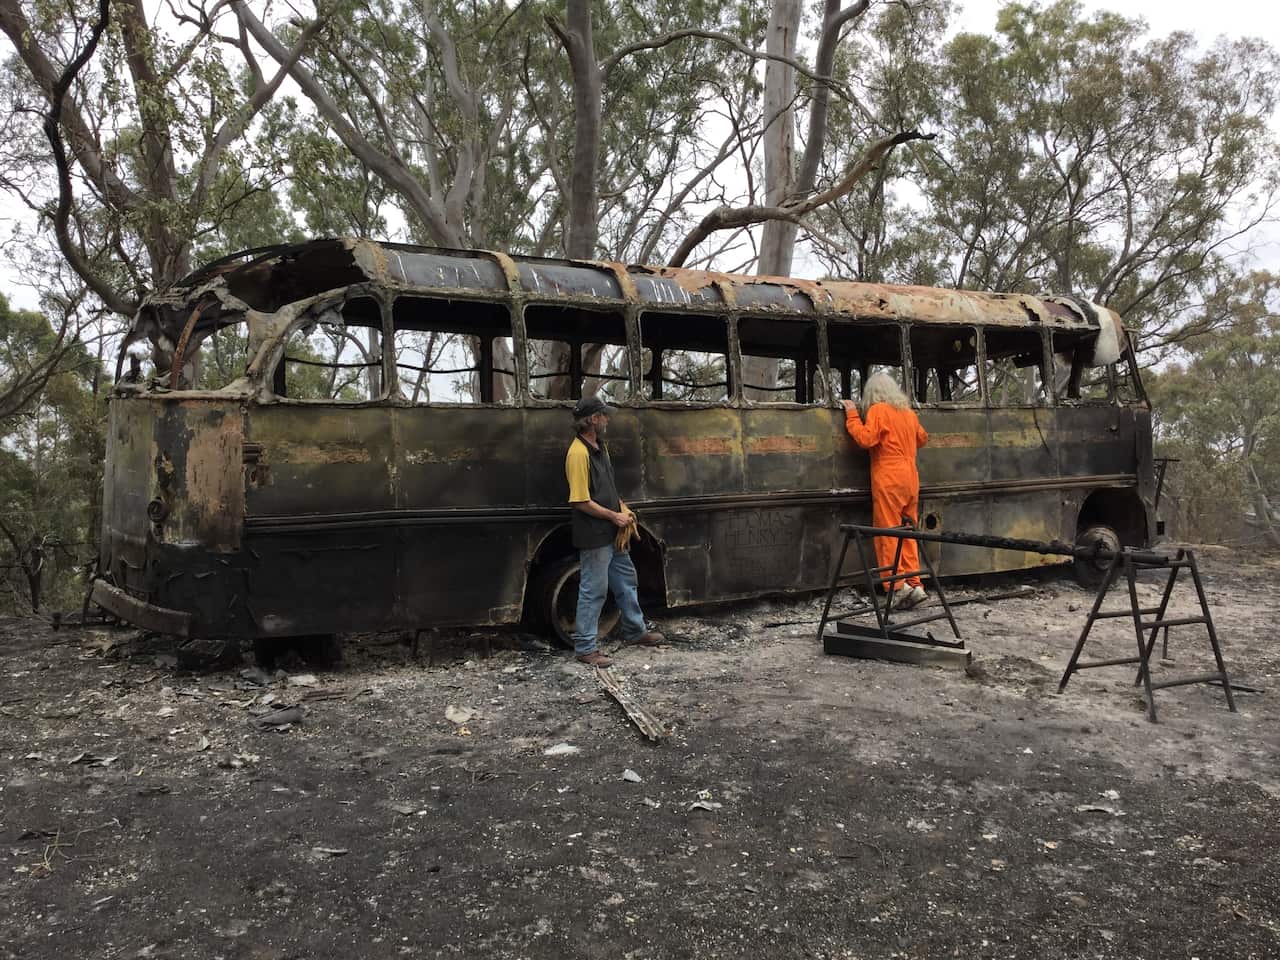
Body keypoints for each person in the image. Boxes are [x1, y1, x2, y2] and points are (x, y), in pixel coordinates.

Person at [564, 395, 664, 666]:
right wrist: (613, 517)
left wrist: (622, 508)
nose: (607, 419)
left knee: (625, 580)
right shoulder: (578, 453)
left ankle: (635, 631)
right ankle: (585, 648)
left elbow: (606, 488)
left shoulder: (599, 447)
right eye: (604, 415)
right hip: (595, 534)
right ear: (593, 419)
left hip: (611, 530)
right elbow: (580, 500)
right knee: (593, 590)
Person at [842, 371, 930, 609]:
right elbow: (922, 438)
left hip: (889, 476)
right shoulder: (908, 413)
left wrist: (851, 414)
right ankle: (916, 584)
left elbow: (865, 439)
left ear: (871, 393)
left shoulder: (878, 411)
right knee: (908, 531)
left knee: (888, 532)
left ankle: (897, 587)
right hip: (911, 477)